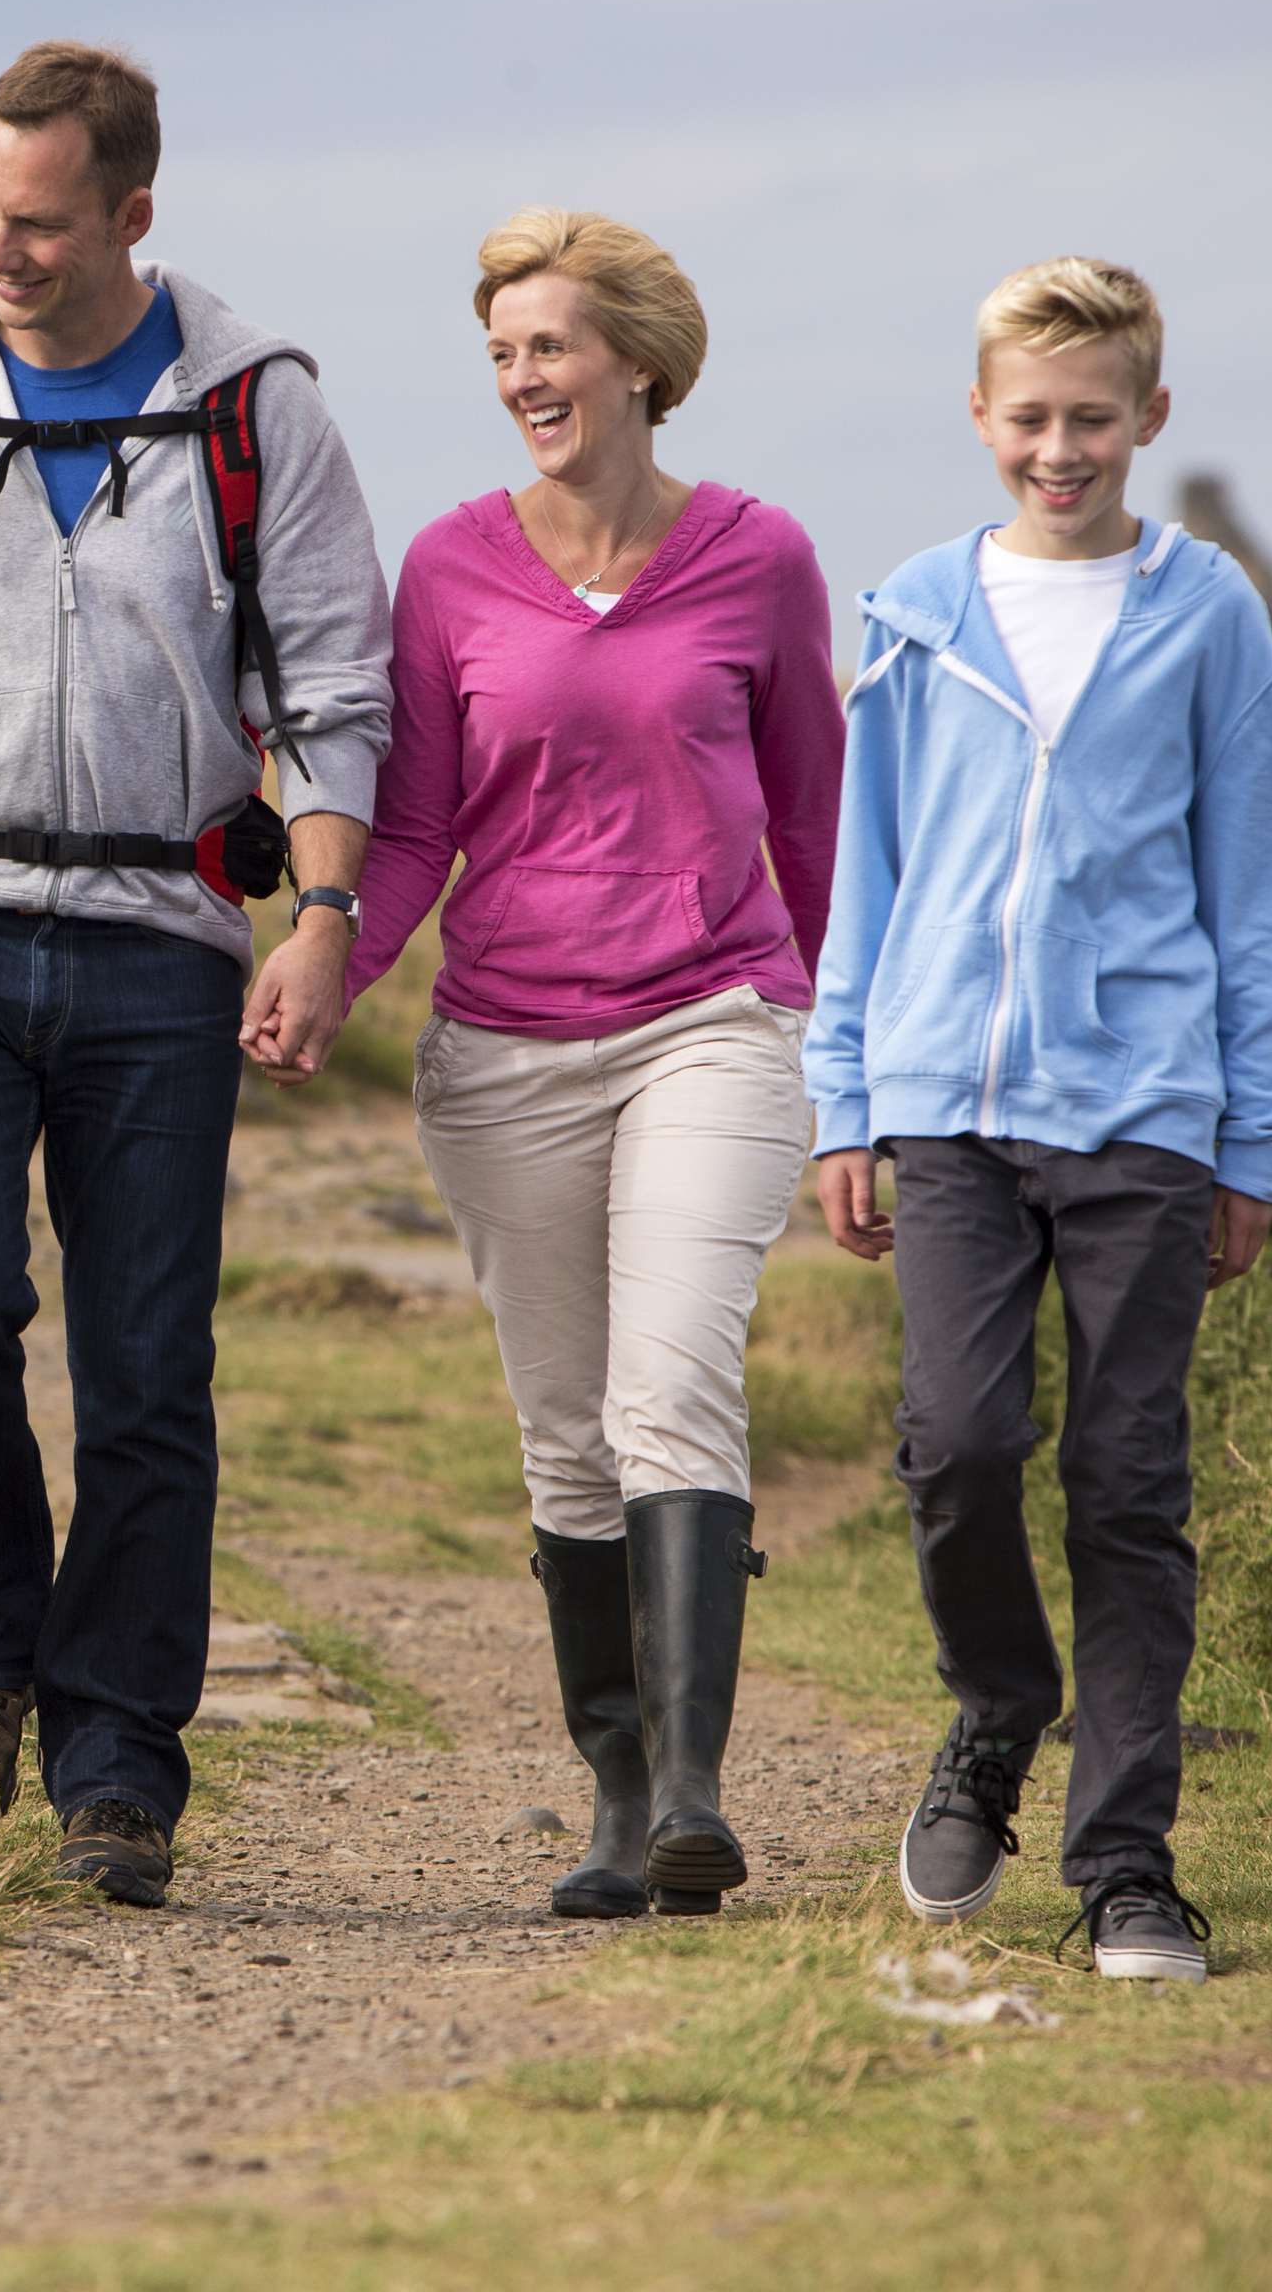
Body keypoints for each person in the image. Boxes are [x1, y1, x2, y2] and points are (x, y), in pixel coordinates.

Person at [0, 40, 393, 1907]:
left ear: (131, 213)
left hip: (160, 950)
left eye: (36, 223)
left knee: (143, 1368)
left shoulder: (256, 407)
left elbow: (339, 691)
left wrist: (326, 920)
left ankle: (117, 1756)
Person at [810, 257, 1272, 1984]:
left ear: (1147, 419)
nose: (1058, 447)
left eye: (1091, 417)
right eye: (1027, 416)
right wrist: (840, 1101)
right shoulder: (914, 614)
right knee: (954, 1447)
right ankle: (996, 1706)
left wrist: (1254, 1144)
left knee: (1123, 1480)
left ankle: (1126, 1865)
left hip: (1146, 1118)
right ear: (978, 416)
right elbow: (860, 878)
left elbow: (1257, 896)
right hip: (943, 1101)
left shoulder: (1206, 616)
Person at [344, 208, 842, 1921]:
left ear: (637, 358)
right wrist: (323, 969)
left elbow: (810, 817)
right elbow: (413, 827)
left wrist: (846, 1055)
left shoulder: (759, 557)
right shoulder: (449, 567)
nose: (519, 380)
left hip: (711, 1018)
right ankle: (619, 1800)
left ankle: (699, 1787)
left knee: (671, 1383)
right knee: (565, 1439)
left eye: (546, 347)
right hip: (503, 1051)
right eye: (498, 355)